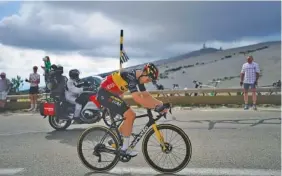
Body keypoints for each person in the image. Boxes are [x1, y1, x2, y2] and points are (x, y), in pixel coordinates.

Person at [96, 63, 168, 157]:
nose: (148, 81)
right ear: (144, 73)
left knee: (129, 116)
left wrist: (161, 104)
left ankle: (114, 140)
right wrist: (155, 107)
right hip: (104, 95)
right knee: (130, 115)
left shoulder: (139, 78)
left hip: (112, 94)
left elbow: (146, 96)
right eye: (148, 79)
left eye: (150, 80)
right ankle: (125, 149)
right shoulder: (131, 77)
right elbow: (137, 98)